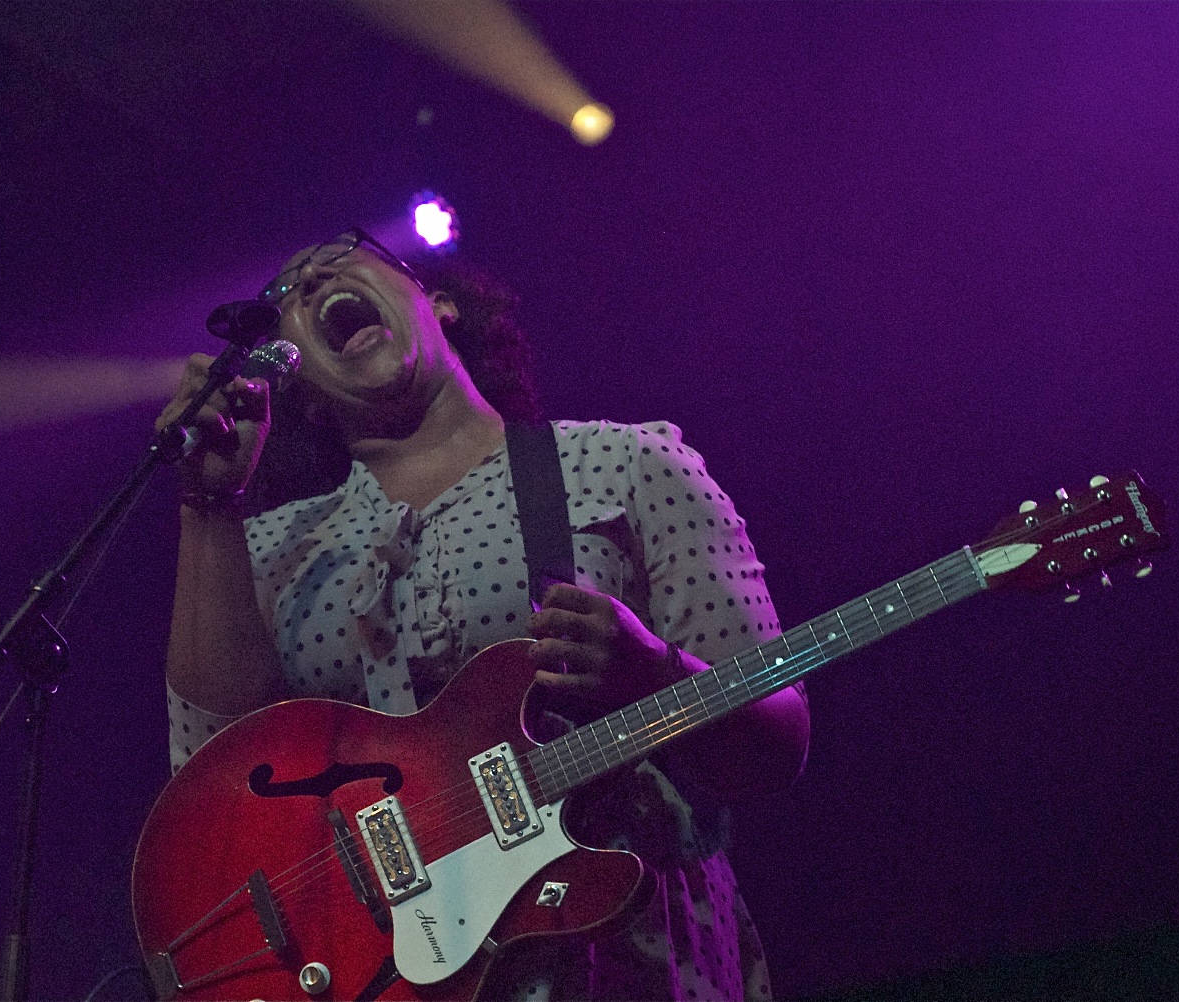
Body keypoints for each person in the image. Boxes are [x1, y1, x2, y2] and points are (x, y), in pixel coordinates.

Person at [155, 229, 810, 1001]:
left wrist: (648, 673)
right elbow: (212, 778)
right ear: (290, 380)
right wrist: (208, 503)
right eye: (286, 292)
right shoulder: (270, 549)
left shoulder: (624, 463)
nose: (314, 278)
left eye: (341, 254)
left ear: (439, 304)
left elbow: (774, 744)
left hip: (620, 956)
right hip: (391, 976)